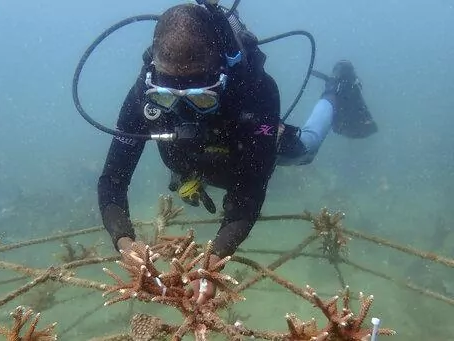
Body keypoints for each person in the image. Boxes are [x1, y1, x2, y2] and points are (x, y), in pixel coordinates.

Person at [98, 3, 376, 304]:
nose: (182, 109)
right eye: (166, 97)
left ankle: (335, 91)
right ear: (156, 71)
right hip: (188, 159)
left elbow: (250, 193)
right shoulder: (144, 93)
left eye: (200, 99)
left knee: (305, 149)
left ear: (220, 71)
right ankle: (190, 168)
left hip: (249, 137)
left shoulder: (256, 93)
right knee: (179, 155)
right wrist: (126, 243)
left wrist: (213, 261)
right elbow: (113, 179)